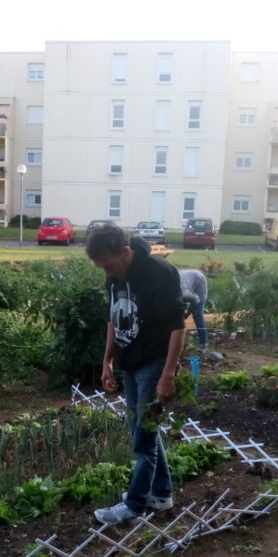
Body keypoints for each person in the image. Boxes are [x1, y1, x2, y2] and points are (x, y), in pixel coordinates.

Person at [86, 224, 186, 525]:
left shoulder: (159, 274)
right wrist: (107, 361)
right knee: (142, 432)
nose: (109, 272)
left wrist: (168, 374)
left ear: (126, 251)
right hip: (129, 363)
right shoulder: (114, 277)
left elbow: (178, 327)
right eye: (103, 268)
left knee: (144, 436)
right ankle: (162, 493)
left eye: (112, 265)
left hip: (154, 364)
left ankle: (134, 505)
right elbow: (113, 319)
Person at [178, 268, 209, 350]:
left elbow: (196, 300)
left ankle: (203, 343)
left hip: (199, 280)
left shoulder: (184, 294)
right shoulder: (166, 292)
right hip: (185, 278)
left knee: (197, 314)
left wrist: (187, 314)